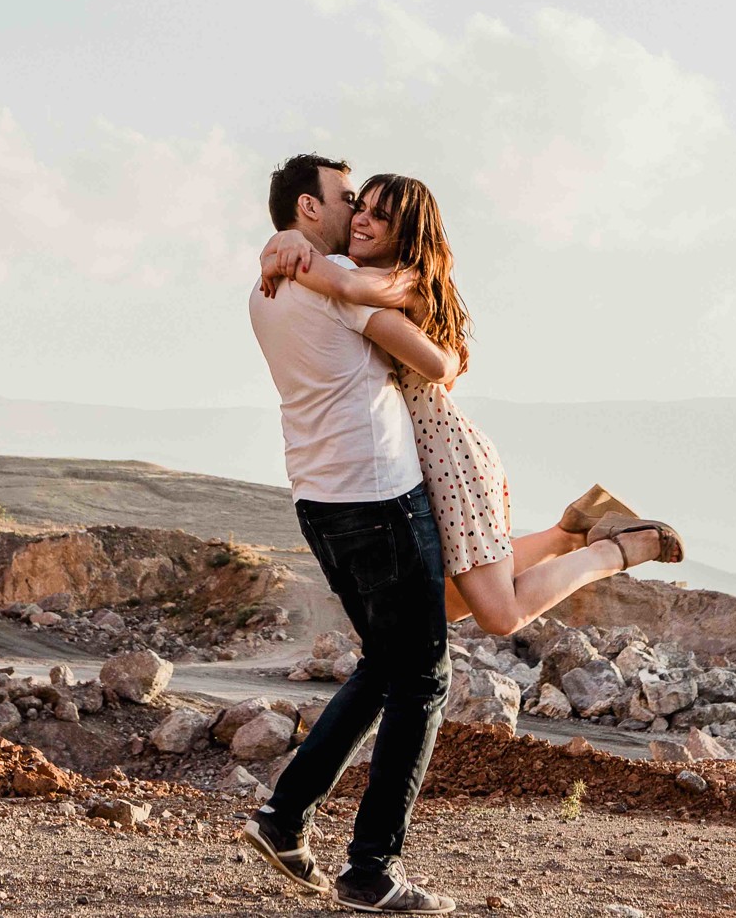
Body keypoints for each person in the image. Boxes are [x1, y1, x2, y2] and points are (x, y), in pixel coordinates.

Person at [259, 173, 681, 639]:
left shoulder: (403, 282)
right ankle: (572, 531)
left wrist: (286, 245)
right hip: (421, 460)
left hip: (448, 458)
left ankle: (621, 548)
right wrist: (287, 241)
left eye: (381, 216)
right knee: (442, 602)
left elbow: (343, 285)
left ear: (406, 233)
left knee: (501, 615)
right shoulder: (378, 278)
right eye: (360, 207)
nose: (361, 220)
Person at [243, 154, 462, 914]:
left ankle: (283, 817)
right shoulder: (330, 280)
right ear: (309, 207)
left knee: (385, 664)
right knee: (423, 677)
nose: (355, 210)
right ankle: (370, 869)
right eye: (346, 197)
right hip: (378, 498)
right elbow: (437, 363)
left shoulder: (264, 287)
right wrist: (416, 285)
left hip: (319, 498)